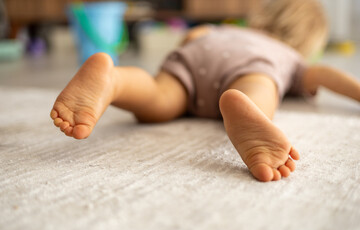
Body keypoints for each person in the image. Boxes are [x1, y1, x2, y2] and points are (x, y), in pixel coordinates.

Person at [50, 0, 360, 182]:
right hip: (250, 68)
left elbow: (192, 36)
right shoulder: (290, 56)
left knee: (158, 96)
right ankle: (243, 107)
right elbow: (325, 75)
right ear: (309, 45)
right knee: (259, 83)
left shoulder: (225, 29)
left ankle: (113, 80)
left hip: (195, 60)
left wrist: (191, 50)